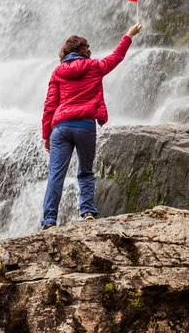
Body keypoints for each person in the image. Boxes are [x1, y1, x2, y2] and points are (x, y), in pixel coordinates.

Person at [41, 23, 141, 229]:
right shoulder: (94, 66)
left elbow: (50, 105)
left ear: (66, 52)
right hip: (85, 126)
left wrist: (46, 134)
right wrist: (129, 35)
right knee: (85, 172)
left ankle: (49, 221)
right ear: (85, 50)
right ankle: (87, 212)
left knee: (55, 175)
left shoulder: (58, 72)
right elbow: (117, 57)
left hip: (60, 127)